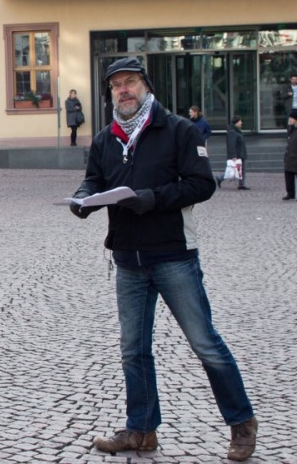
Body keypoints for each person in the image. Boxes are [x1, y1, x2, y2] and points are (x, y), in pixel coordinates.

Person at [69, 58, 257, 462]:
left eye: (131, 82)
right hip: (128, 261)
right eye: (117, 85)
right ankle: (141, 431)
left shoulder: (179, 130)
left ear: (146, 86)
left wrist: (152, 199)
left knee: (205, 344)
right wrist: (82, 198)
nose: (124, 90)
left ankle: (242, 423)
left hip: (174, 255)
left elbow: (201, 184)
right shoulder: (106, 138)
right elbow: (94, 180)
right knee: (133, 350)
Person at [215, 116, 250, 190]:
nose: (241, 123)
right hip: (238, 154)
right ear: (236, 122)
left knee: (241, 170)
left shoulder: (236, 131)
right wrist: (233, 156)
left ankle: (241, 184)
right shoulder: (232, 132)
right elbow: (231, 145)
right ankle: (220, 178)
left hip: (241, 153)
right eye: (240, 121)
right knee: (233, 170)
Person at [284, 109, 297, 200]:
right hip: (290, 158)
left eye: (291, 118)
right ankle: (290, 193)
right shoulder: (291, 130)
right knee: (288, 176)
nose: (289, 120)